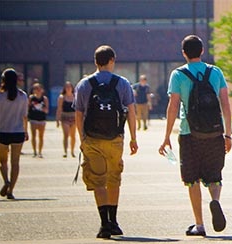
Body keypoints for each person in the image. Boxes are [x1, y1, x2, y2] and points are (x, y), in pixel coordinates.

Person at [158, 35, 232, 237]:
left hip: (190, 133)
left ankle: (199, 224)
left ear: (184, 53)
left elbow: (173, 106)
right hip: (215, 132)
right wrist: (228, 134)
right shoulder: (215, 72)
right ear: (202, 51)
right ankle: (215, 201)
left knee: (192, 179)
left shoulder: (179, 74)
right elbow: (225, 104)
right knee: (214, 175)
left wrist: (166, 137)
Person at [74, 45, 138, 239]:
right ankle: (114, 221)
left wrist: (82, 138)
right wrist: (133, 138)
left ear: (95, 62)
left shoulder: (84, 84)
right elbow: (131, 112)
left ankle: (104, 224)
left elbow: (78, 113)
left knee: (98, 180)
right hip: (115, 138)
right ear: (112, 60)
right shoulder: (123, 83)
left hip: (92, 139)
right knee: (113, 178)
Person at [0, 68, 29, 200]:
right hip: (17, 132)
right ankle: (11, 190)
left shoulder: (0, 96)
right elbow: (24, 116)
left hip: (2, 132)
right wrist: (26, 131)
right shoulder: (23, 96)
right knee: (15, 162)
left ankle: (6, 181)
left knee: (3, 161)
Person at [56, 81, 77, 158]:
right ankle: (65, 151)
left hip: (73, 117)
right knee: (66, 135)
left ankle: (72, 151)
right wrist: (57, 119)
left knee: (73, 136)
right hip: (65, 117)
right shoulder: (62, 97)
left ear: (72, 88)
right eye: (67, 87)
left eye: (69, 87)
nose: (68, 88)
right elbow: (59, 108)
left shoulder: (75, 96)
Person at [28, 82, 48, 158]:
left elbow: (47, 110)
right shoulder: (31, 98)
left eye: (39, 89)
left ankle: (40, 151)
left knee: (41, 136)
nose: (37, 90)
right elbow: (28, 107)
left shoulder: (44, 99)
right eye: (35, 89)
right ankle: (34, 151)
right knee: (33, 135)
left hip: (42, 119)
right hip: (33, 118)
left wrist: (42, 108)